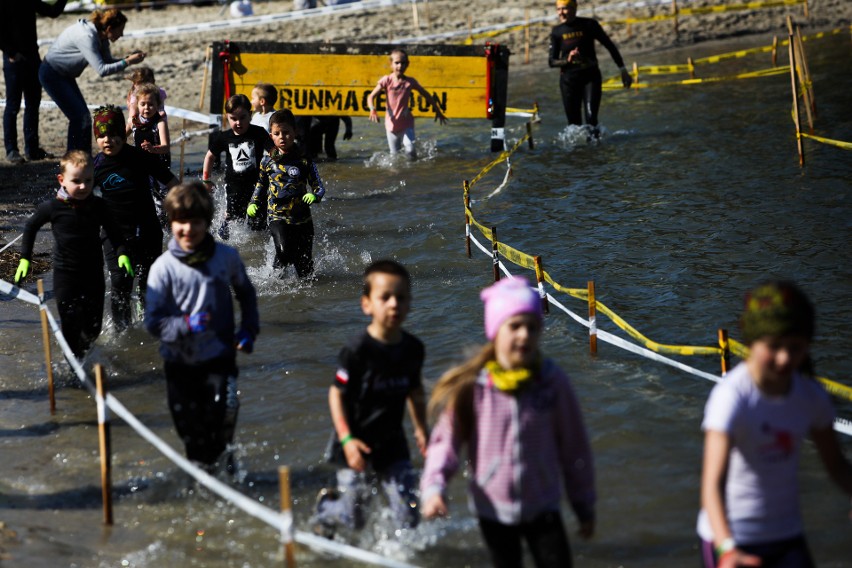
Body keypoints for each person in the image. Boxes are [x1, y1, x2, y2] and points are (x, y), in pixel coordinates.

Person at [421, 277, 596, 568]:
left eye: (532, 326)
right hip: (493, 509)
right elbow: (444, 445)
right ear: (495, 331)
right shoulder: (474, 388)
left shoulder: (551, 382)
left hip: (544, 506)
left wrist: (584, 505)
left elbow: (575, 447)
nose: (524, 335)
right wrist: (434, 490)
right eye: (515, 326)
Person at [697, 281, 852, 568]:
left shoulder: (811, 396)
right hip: (729, 537)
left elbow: (837, 466)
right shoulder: (731, 397)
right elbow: (711, 485)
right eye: (774, 347)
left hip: (787, 534)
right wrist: (727, 549)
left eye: (795, 348)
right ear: (752, 342)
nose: (784, 358)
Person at [144, 182, 259, 475]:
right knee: (193, 440)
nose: (188, 229)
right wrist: (186, 324)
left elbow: (246, 293)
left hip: (220, 358)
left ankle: (226, 471)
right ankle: (202, 483)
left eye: (196, 222)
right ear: (171, 223)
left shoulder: (226, 257)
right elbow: (153, 322)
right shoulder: (163, 268)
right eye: (181, 222)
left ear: (207, 222)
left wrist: (248, 329)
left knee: (221, 422)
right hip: (179, 364)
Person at [312, 260, 428, 538]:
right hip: (355, 442)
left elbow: (414, 391)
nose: (393, 304)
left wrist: (422, 429)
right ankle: (326, 509)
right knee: (355, 519)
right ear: (367, 304)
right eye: (385, 297)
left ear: (410, 303)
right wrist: (347, 440)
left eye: (401, 297)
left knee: (408, 515)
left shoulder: (413, 349)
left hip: (393, 443)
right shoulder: (356, 350)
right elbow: (336, 393)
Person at [14, 151, 133, 359]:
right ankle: (74, 365)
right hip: (65, 275)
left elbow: (114, 231)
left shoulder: (98, 205)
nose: (83, 186)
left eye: (88, 181)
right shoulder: (53, 207)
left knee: (92, 327)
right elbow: (31, 226)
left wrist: (122, 253)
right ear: (62, 180)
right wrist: (25, 258)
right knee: (70, 322)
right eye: (76, 181)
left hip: (93, 274)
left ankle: (85, 354)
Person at [92, 105, 179, 332]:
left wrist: (183, 210)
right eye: (101, 136)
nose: (107, 140)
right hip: (114, 235)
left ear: (123, 133)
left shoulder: (140, 158)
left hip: (147, 230)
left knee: (146, 285)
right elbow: (81, 197)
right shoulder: (96, 167)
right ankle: (121, 332)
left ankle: (145, 326)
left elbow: (172, 183)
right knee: (120, 283)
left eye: (112, 134)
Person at [39, 9, 146, 152]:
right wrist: (127, 62)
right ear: (109, 28)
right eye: (120, 30)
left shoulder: (102, 38)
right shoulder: (87, 36)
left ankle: (85, 159)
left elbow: (108, 62)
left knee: (84, 118)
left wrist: (128, 59)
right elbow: (102, 70)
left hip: (64, 75)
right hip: (51, 74)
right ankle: (74, 158)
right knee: (79, 117)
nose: (122, 34)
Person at [247, 109, 325, 279]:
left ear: (295, 132)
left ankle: (299, 300)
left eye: (286, 132)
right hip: (277, 217)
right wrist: (253, 203)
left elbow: (318, 186)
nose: (282, 137)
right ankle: (273, 281)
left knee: (305, 270)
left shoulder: (304, 159)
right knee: (284, 251)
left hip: (303, 219)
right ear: (271, 136)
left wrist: (315, 196)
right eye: (277, 133)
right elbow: (260, 185)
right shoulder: (267, 161)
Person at [548, 0, 632, 135]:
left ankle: (595, 153)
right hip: (569, 81)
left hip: (590, 78)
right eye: (558, 9)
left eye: (564, 9)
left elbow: (609, 46)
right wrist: (567, 60)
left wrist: (623, 70)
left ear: (574, 9)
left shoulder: (589, 25)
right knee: (573, 125)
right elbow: (552, 62)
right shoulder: (557, 32)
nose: (561, 13)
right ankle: (578, 153)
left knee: (591, 120)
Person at [0, 0, 68, 164]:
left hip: (32, 57)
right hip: (14, 60)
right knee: (13, 105)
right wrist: (11, 52)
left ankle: (32, 149)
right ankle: (11, 150)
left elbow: (52, 11)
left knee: (33, 103)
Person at [202, 94, 272, 239]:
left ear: (250, 115)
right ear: (226, 117)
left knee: (259, 225)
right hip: (234, 188)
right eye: (233, 119)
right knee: (233, 221)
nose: (238, 123)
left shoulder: (258, 133)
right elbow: (209, 156)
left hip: (258, 186)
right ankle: (223, 241)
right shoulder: (224, 137)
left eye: (243, 118)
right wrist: (206, 180)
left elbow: (273, 152)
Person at [366, 48, 447, 159]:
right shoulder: (387, 80)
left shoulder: (410, 82)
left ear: (407, 64)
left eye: (403, 63)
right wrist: (372, 109)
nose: (400, 66)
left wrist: (437, 111)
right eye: (397, 63)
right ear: (391, 64)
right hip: (391, 124)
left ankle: (412, 174)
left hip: (406, 123)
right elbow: (371, 96)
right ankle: (398, 175)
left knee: (410, 151)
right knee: (394, 156)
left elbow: (426, 94)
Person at [130, 83, 172, 226]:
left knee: (162, 201)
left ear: (157, 104)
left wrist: (153, 149)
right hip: (140, 168)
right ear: (137, 104)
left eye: (151, 104)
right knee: (142, 199)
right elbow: (120, 139)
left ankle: (165, 228)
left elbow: (166, 147)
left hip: (158, 166)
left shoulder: (160, 123)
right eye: (143, 104)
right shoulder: (134, 121)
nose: (147, 108)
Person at [125, 66, 168, 131]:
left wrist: (161, 113)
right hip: (140, 124)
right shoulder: (134, 96)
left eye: (148, 83)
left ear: (153, 82)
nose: (145, 87)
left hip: (157, 122)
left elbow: (161, 108)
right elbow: (132, 116)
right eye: (141, 84)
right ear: (135, 84)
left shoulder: (159, 92)